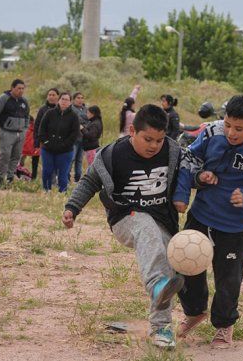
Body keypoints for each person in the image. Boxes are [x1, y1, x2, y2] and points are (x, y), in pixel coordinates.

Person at [63, 104, 184, 348]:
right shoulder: (112, 155)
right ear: (132, 131)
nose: (154, 146)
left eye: (159, 140)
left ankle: (161, 329)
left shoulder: (173, 151)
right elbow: (89, 181)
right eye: (148, 139)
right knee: (145, 227)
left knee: (167, 266)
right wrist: (72, 207)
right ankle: (156, 285)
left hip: (163, 221)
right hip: (125, 218)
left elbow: (189, 175)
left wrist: (204, 179)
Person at [173, 95, 243, 349]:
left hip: (235, 227)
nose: (231, 133)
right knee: (185, 267)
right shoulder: (212, 131)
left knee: (228, 279)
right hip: (201, 216)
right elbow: (189, 160)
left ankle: (224, 325)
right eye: (228, 125)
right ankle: (194, 312)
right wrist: (192, 184)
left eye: (239, 129)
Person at [0, 79, 30, 189]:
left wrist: (25, 129)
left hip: (20, 133)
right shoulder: (4, 98)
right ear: (12, 88)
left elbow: (27, 116)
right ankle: (0, 179)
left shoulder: (24, 101)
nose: (21, 91)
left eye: (23, 89)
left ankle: (10, 178)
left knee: (16, 156)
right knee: (5, 156)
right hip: (7, 132)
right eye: (19, 88)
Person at [37, 92, 79, 192]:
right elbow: (42, 130)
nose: (64, 102)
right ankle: (46, 190)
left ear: (70, 102)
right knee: (47, 171)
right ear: (58, 100)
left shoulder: (74, 116)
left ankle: (62, 192)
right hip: (48, 149)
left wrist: (64, 145)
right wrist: (47, 142)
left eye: (67, 100)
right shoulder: (49, 113)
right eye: (62, 99)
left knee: (63, 173)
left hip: (65, 151)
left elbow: (74, 135)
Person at [32, 88, 60, 177]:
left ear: (58, 96)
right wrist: (36, 140)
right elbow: (37, 125)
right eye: (49, 95)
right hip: (43, 138)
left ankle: (54, 177)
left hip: (56, 139)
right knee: (37, 157)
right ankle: (34, 176)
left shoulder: (61, 109)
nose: (51, 97)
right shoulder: (42, 109)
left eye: (53, 95)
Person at [70, 92, 89, 183]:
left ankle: (77, 180)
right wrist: (84, 122)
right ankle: (66, 178)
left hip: (83, 139)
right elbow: (76, 121)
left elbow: (90, 121)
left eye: (82, 98)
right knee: (71, 159)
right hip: (74, 139)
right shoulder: (71, 109)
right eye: (78, 98)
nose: (80, 100)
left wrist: (83, 124)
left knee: (79, 160)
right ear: (73, 99)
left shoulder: (86, 109)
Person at [21, 116, 41, 180]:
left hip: (25, 149)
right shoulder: (37, 127)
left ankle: (18, 172)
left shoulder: (24, 128)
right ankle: (34, 177)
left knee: (20, 161)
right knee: (35, 163)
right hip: (36, 148)